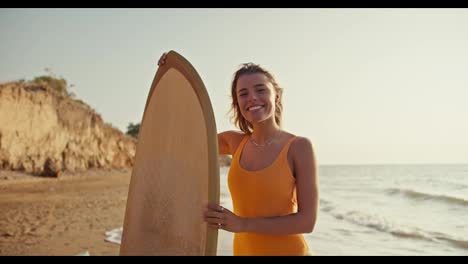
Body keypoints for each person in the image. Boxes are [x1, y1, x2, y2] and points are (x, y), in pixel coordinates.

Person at [158, 53, 318, 256]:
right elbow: (185, 138)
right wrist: (171, 74)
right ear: (237, 103)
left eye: (260, 90)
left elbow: (307, 221)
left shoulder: (299, 147)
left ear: (276, 96)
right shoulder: (234, 142)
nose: (252, 97)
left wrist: (242, 224)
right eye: (243, 93)